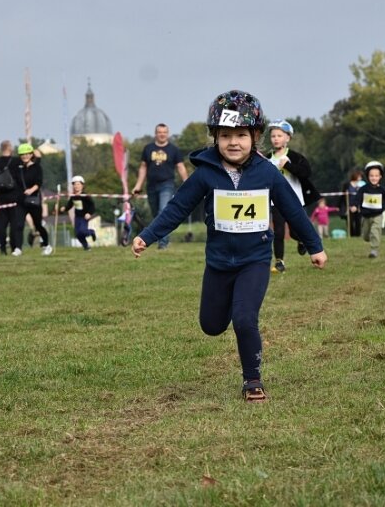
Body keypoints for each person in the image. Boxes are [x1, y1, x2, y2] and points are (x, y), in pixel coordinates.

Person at [131, 90, 327, 402]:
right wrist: (148, 236)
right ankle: (228, 335)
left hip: (255, 260)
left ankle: (253, 379)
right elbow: (177, 208)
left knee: (245, 318)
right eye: (225, 136)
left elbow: (292, 209)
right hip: (219, 264)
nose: (233, 142)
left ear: (256, 136)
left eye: (240, 135)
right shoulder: (205, 174)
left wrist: (314, 245)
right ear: (214, 138)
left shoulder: (267, 173)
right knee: (210, 325)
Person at [263, 119, 320, 273]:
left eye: (279, 135)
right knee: (278, 232)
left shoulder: (295, 157)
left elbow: (306, 173)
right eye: (273, 136)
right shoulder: (267, 158)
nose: (276, 138)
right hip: (276, 201)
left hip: (295, 201)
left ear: (288, 138)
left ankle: (302, 241)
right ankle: (279, 262)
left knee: (296, 231)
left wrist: (287, 165)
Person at [131, 123, 189, 250]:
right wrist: (138, 186)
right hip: (151, 185)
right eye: (159, 132)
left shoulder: (173, 150)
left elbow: (180, 167)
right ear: (156, 134)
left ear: (167, 134)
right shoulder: (148, 148)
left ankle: (163, 244)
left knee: (163, 211)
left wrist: (187, 183)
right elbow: (143, 167)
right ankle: (158, 239)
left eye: (164, 132)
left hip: (167, 185)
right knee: (156, 214)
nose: (162, 134)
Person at [16, 143, 52, 255]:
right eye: (22, 154)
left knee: (38, 225)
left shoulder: (37, 167)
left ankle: (47, 245)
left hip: (34, 200)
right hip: (21, 201)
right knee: (18, 224)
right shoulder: (19, 168)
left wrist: (31, 190)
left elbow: (38, 182)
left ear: (31, 154)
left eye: (27, 154)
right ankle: (18, 248)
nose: (25, 156)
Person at [0, 140, 23, 256]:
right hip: (14, 196)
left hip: (2, 198)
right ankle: (14, 247)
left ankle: (3, 249)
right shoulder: (15, 161)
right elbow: (20, 179)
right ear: (9, 148)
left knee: (2, 225)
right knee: (14, 224)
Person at [352, 161, 385, 258]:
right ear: (368, 176)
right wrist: (354, 205)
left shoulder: (384, 190)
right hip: (365, 216)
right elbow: (357, 198)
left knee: (375, 230)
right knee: (366, 236)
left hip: (378, 215)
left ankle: (374, 250)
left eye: (376, 176)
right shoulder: (363, 189)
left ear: (380, 177)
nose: (374, 178)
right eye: (371, 176)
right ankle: (371, 238)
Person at [59, 175, 96, 250]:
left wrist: (89, 213)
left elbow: (92, 206)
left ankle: (91, 232)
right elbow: (69, 205)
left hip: (84, 217)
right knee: (78, 234)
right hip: (77, 217)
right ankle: (86, 247)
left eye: (78, 184)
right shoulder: (73, 196)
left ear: (82, 185)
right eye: (75, 184)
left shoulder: (85, 196)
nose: (76, 186)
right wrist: (64, 209)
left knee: (82, 231)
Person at [339, 169, 364, 237]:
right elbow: (343, 197)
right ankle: (351, 235)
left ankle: (358, 235)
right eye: (359, 176)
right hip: (348, 206)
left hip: (358, 206)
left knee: (358, 221)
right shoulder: (347, 185)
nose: (360, 178)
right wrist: (345, 207)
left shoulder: (362, 185)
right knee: (350, 222)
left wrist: (356, 206)